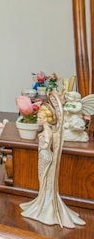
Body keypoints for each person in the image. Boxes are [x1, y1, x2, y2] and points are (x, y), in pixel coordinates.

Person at [20, 92, 85, 228]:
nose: (38, 118)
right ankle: (42, 202)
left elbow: (46, 144)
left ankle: (46, 206)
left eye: (40, 117)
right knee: (43, 182)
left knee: (44, 180)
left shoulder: (49, 131)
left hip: (45, 157)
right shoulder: (48, 130)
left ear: (45, 119)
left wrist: (42, 142)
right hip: (44, 156)